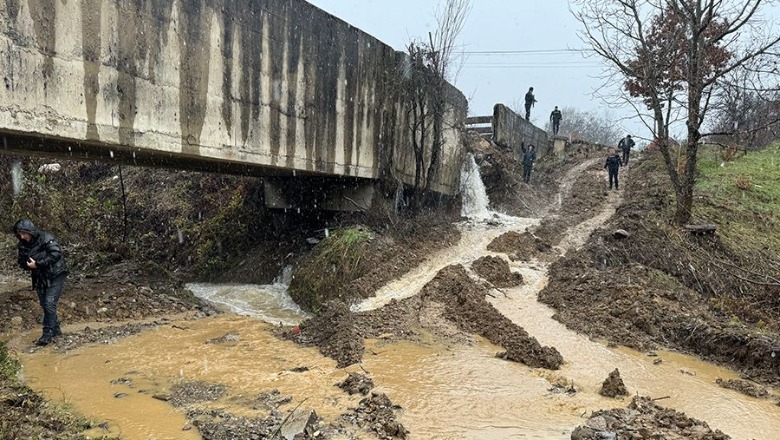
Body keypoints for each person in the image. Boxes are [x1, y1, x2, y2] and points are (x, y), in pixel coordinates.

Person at [12, 219, 69, 346]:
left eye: (24, 233)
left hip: (56, 274)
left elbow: (56, 253)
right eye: (20, 234)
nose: (22, 237)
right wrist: (28, 265)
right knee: (45, 304)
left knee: (49, 303)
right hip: (39, 276)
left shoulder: (45, 238)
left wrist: (38, 263)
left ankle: (47, 333)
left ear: (30, 231)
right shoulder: (22, 245)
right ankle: (56, 329)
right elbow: (21, 262)